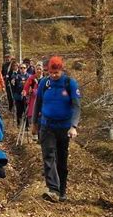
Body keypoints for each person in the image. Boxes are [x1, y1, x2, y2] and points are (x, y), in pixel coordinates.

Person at [32, 56, 81, 203]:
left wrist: (73, 126)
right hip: (47, 126)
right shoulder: (44, 83)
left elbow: (76, 106)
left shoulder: (69, 84)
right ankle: (53, 189)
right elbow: (37, 103)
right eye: (51, 73)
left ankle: (62, 191)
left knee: (61, 159)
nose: (53, 76)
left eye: (56, 73)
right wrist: (34, 124)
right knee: (48, 156)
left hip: (64, 128)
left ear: (61, 70)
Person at [23, 62, 44, 141]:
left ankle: (40, 135)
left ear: (42, 70)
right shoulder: (31, 78)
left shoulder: (45, 79)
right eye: (37, 69)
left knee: (41, 117)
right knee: (33, 116)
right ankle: (34, 133)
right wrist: (25, 92)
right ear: (35, 70)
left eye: (40, 69)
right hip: (33, 100)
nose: (38, 71)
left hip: (43, 101)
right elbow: (26, 87)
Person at [10, 62, 28, 127]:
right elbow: (13, 86)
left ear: (26, 69)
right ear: (19, 69)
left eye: (24, 68)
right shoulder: (16, 76)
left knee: (26, 110)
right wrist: (13, 83)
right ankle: (18, 123)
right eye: (21, 68)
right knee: (19, 110)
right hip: (18, 96)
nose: (23, 69)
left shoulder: (29, 76)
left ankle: (27, 125)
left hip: (26, 96)